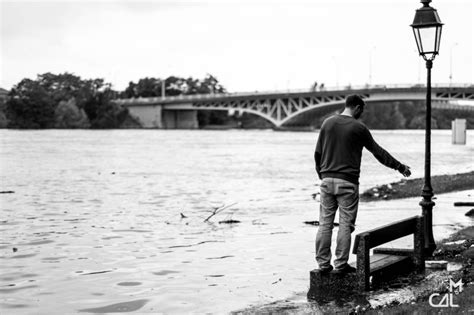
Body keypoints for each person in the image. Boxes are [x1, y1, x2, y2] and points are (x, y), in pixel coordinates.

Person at [314, 95, 411, 274]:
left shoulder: (327, 123)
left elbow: (318, 154)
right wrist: (400, 166)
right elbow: (378, 152)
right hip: (348, 183)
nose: (362, 113)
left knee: (325, 224)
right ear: (357, 108)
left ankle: (323, 265)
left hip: (326, 181)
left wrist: (323, 175)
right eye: (362, 110)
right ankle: (341, 265)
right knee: (345, 224)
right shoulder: (359, 128)